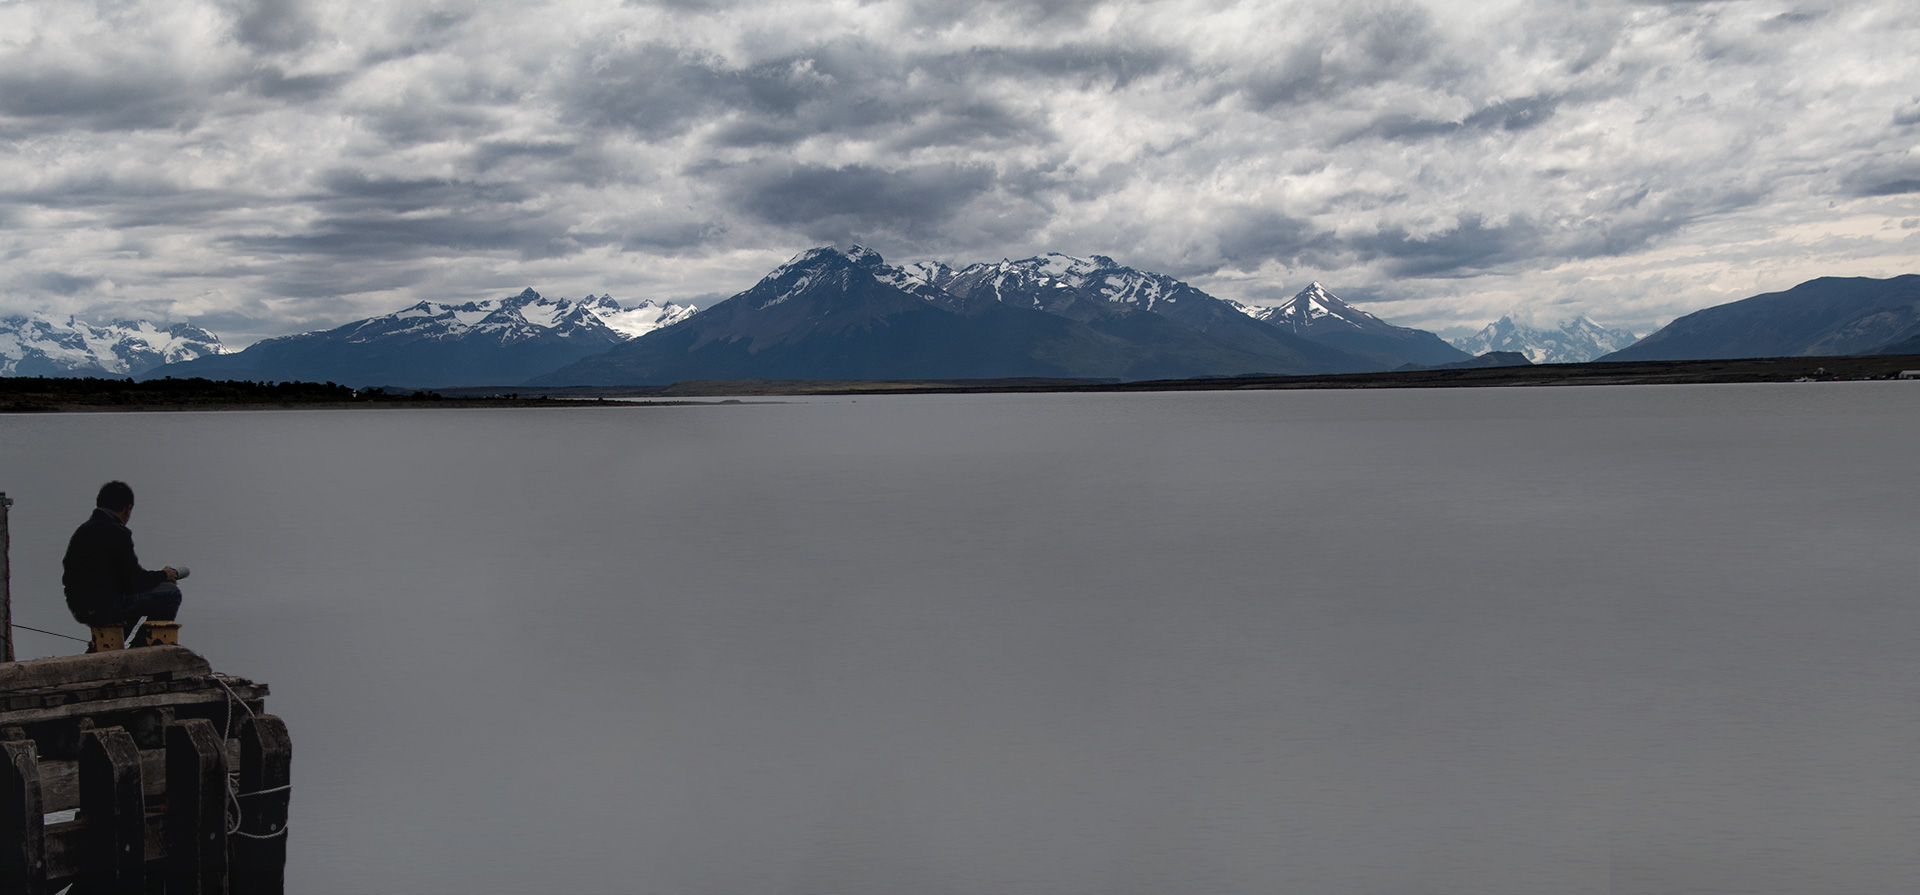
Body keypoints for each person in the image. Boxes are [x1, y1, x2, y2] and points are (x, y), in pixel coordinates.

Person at [63, 481, 183, 645]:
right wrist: (164, 575)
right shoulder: (116, 532)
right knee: (171, 593)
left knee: (130, 603)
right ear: (127, 508)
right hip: (103, 607)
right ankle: (142, 652)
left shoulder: (83, 530)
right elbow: (134, 581)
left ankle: (106, 650)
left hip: (81, 608)